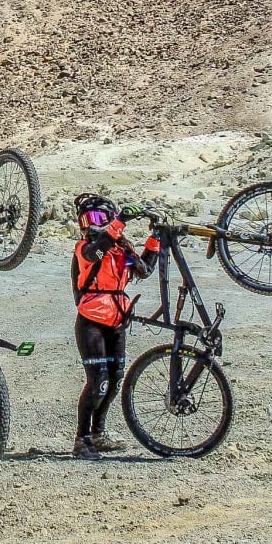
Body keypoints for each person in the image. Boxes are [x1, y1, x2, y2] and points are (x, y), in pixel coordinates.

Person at [70, 193, 159, 460]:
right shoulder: (84, 248)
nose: (90, 224)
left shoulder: (122, 249)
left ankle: (98, 433)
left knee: (115, 379)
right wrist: (119, 222)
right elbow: (96, 252)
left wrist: (155, 236)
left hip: (117, 319)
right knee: (97, 380)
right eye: (86, 219)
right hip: (91, 321)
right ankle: (82, 439)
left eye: (97, 218)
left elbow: (145, 269)